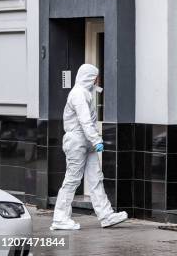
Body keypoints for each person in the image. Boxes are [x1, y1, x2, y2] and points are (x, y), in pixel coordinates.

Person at [50, 64, 128, 230]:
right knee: (72, 180)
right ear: (89, 77)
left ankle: (106, 215)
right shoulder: (78, 94)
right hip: (78, 141)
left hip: (86, 142)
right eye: (95, 77)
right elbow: (85, 120)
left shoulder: (85, 92)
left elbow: (88, 117)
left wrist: (93, 141)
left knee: (96, 179)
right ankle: (60, 218)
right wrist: (96, 139)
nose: (97, 80)